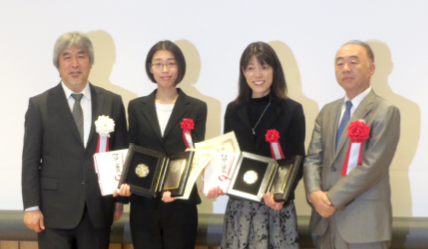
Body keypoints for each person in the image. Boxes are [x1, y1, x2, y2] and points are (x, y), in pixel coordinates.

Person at [21, 31, 128, 249]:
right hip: (53, 213)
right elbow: (30, 160)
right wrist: (31, 207)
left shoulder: (112, 102)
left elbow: (120, 152)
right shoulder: (39, 105)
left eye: (81, 56)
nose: (75, 63)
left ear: (90, 62)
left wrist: (119, 199)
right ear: (58, 64)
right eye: (67, 57)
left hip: (97, 209)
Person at [208, 42, 305, 249]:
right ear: (243, 72)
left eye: (264, 67)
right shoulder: (233, 110)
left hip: (275, 208)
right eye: (251, 68)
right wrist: (217, 182)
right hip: (239, 208)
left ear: (274, 70)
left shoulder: (292, 110)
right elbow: (227, 156)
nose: (257, 74)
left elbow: (298, 160)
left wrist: (281, 196)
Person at [304, 41, 400, 249]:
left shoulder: (385, 111)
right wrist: (313, 194)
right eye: (339, 63)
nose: (345, 68)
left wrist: (331, 199)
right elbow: (313, 158)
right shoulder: (327, 111)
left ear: (371, 69)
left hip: (364, 224)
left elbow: (373, 166)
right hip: (325, 224)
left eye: (353, 62)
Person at [115, 40, 207, 249]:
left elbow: (196, 154)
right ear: (150, 68)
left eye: (171, 63)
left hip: (181, 202)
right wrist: (126, 181)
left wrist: (176, 188)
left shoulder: (197, 107)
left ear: (179, 67)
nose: (165, 69)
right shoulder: (137, 106)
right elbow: (133, 150)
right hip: (144, 204)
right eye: (158, 63)